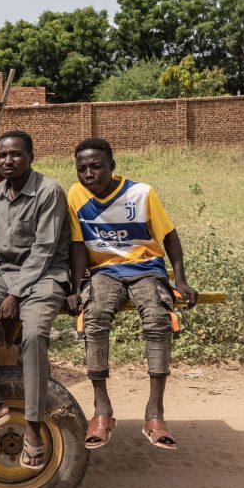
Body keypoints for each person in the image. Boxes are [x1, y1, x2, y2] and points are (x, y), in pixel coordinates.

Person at [64, 137, 198, 451]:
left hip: (146, 268)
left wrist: (180, 279)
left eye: (96, 167)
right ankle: (102, 411)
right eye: (81, 168)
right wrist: (74, 288)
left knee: (157, 319)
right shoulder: (76, 194)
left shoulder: (141, 193)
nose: (88, 174)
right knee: (94, 317)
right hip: (104, 272)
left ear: (112, 165)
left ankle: (155, 413)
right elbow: (79, 245)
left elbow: (169, 236)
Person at [0, 131, 71, 470]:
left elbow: (45, 249)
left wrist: (15, 294)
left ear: (31, 157)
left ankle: (33, 428)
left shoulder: (49, 191)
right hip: (4, 275)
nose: (7, 161)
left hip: (45, 276)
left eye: (15, 155)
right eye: (2, 155)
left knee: (33, 336)